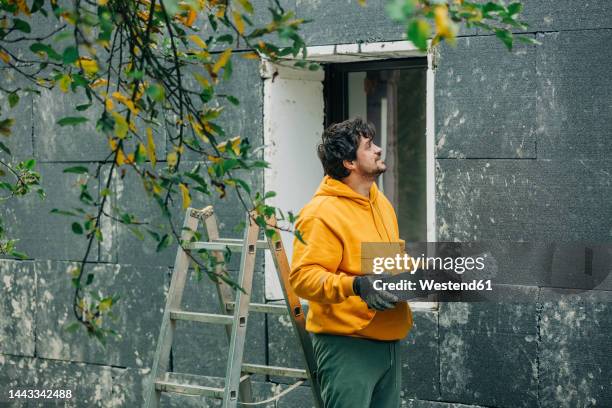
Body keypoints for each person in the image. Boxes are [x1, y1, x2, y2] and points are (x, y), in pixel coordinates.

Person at [290, 117, 413, 408]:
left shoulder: (378, 201)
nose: (379, 150)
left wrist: (432, 274)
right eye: (369, 146)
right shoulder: (321, 213)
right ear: (349, 163)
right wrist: (356, 285)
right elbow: (304, 278)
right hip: (347, 345)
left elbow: (388, 259)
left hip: (389, 340)